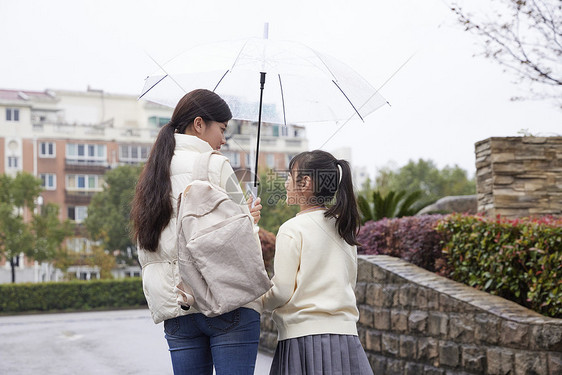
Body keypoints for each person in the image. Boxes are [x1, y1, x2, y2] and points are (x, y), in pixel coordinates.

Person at [130, 89, 263, 375]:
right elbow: (244, 241)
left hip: (177, 309)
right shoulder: (214, 164)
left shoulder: (153, 173)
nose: (224, 140)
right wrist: (250, 220)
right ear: (200, 124)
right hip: (226, 302)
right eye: (222, 129)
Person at [262, 150, 373, 375]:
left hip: (301, 340)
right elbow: (349, 284)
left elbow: (282, 291)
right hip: (347, 342)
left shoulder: (292, 229)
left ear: (306, 183)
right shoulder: (344, 229)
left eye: (290, 177)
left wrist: (259, 299)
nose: (285, 184)